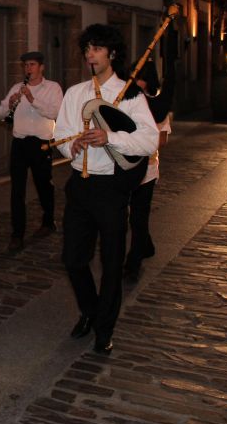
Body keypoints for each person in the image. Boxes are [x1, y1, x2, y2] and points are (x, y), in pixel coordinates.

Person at [54, 24, 158, 355]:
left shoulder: (130, 94)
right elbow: (61, 135)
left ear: (111, 53)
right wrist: (71, 147)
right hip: (80, 185)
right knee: (73, 259)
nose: (90, 54)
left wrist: (109, 137)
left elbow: (150, 139)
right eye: (87, 48)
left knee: (112, 262)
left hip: (112, 186)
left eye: (97, 48)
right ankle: (90, 310)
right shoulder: (75, 93)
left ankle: (104, 328)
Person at [0, 51, 63, 252]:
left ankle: (48, 220)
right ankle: (17, 234)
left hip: (42, 144)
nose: (28, 69)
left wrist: (32, 99)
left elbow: (56, 112)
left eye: (32, 65)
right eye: (26, 65)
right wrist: (10, 103)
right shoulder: (17, 88)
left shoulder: (53, 88)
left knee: (44, 185)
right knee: (17, 191)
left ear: (41, 67)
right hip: (20, 143)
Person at [124, 58, 174, 282]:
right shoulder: (128, 100)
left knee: (138, 214)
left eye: (139, 78)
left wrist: (140, 139)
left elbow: (161, 141)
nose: (135, 82)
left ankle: (133, 261)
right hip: (125, 166)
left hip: (147, 168)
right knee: (131, 213)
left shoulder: (155, 104)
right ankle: (147, 244)